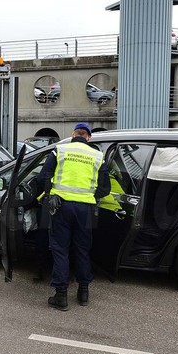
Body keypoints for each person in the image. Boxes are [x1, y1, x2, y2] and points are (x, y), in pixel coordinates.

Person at [36, 123, 110, 311]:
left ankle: (61, 296)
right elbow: (105, 189)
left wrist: (50, 194)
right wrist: (90, 197)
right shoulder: (98, 156)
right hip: (85, 210)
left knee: (61, 249)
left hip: (61, 206)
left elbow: (42, 176)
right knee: (82, 249)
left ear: (72, 135)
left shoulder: (60, 150)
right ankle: (83, 293)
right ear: (89, 137)